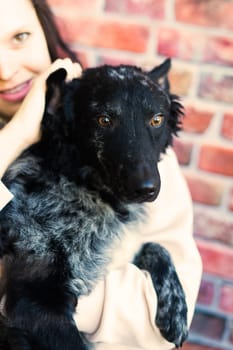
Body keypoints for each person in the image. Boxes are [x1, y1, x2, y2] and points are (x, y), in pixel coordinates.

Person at [0, 0, 202, 349]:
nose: (5, 69)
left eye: (20, 36)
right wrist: (15, 136)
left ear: (45, 33)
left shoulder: (144, 159)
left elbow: (161, 331)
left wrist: (58, 294)